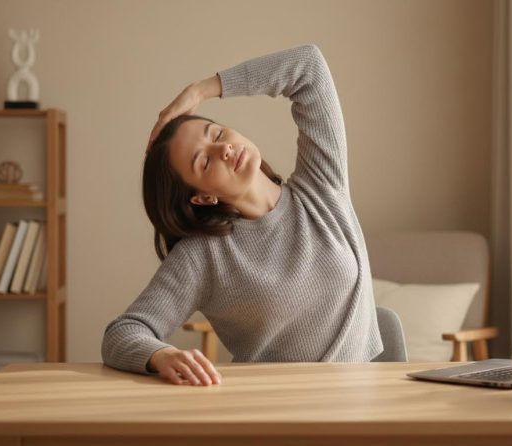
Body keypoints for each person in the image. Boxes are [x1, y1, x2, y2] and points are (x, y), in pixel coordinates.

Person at [101, 44, 384, 386]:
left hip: (363, 398)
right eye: (205, 161)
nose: (224, 149)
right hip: (278, 408)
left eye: (217, 134)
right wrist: (161, 355)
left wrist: (200, 90)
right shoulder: (204, 255)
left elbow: (308, 67)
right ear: (203, 197)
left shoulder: (321, 186)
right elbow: (123, 332)